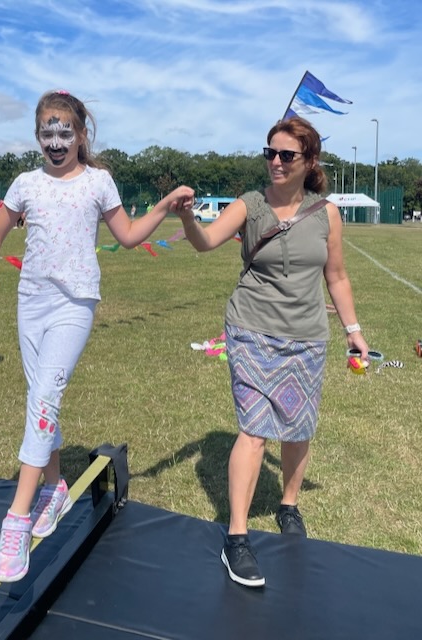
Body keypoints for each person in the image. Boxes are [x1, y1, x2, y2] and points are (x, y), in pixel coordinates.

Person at [0, 89, 193, 583]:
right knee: (38, 399)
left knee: (46, 396)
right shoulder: (25, 183)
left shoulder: (99, 183)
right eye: (47, 131)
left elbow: (128, 236)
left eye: (65, 130)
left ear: (82, 135)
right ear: (37, 137)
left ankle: (17, 520)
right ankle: (53, 487)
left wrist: (166, 206)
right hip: (31, 303)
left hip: (75, 304)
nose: (56, 140)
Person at [176, 116, 368, 589]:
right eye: (270, 153)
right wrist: (186, 216)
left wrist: (353, 329)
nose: (276, 162)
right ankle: (236, 538)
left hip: (306, 336)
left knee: (297, 427)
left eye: (286, 155)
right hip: (250, 330)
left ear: (310, 162)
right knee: (255, 428)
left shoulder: (327, 213)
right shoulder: (250, 204)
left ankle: (288, 505)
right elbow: (205, 242)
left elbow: (337, 276)